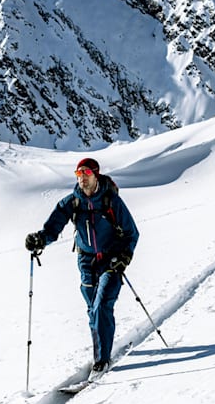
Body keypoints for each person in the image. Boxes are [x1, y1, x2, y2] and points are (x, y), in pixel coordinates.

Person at [25, 158, 139, 374]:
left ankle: (102, 360)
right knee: (92, 309)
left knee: (102, 304)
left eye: (86, 174)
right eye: (79, 175)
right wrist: (40, 239)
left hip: (111, 260)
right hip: (86, 261)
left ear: (96, 175)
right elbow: (52, 228)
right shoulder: (72, 202)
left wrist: (124, 256)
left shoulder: (111, 201)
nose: (82, 179)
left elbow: (132, 232)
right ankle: (102, 347)